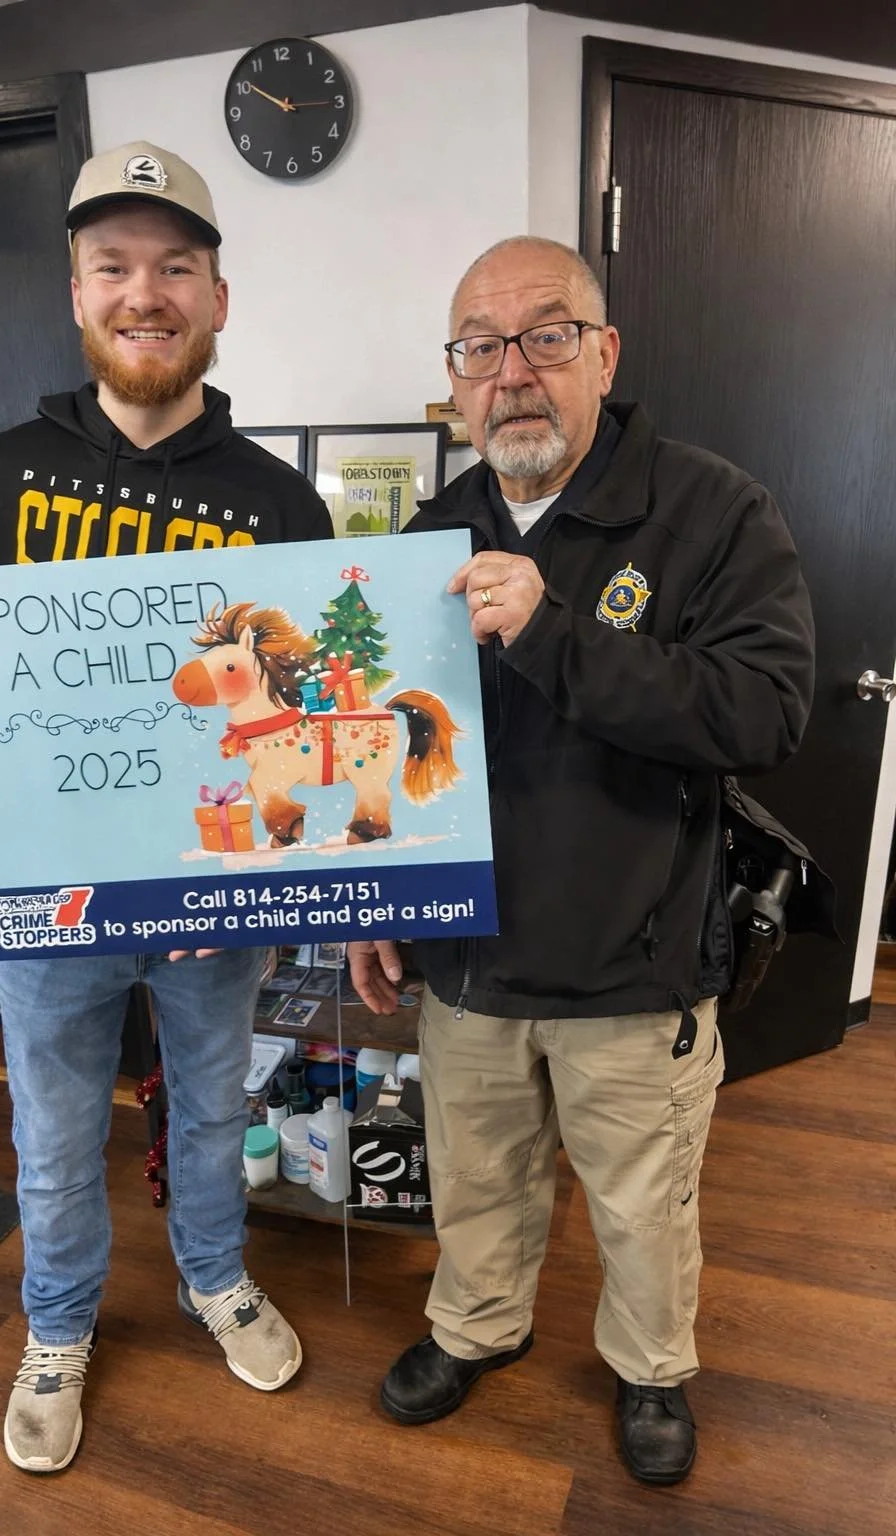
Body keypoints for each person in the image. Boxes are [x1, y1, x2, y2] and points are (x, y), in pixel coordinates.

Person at [0, 142, 332, 1473]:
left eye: (175, 267)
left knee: (209, 1106)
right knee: (54, 1128)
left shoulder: (279, 501)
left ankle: (214, 1275)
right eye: (114, 267)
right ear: (77, 295)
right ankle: (58, 1323)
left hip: (213, 887)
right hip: (52, 887)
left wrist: (282, 860)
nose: (146, 293)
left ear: (217, 298)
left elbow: (299, 709)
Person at [349, 236, 814, 1485]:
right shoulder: (429, 533)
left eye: (544, 337)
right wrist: (370, 897)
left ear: (603, 355)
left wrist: (554, 633)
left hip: (635, 963)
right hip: (468, 960)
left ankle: (651, 1367)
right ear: (454, 381)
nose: (512, 372)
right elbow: (385, 744)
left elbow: (766, 714)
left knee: (642, 1204)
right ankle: (475, 1327)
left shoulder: (712, 511)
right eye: (479, 348)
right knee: (476, 1179)